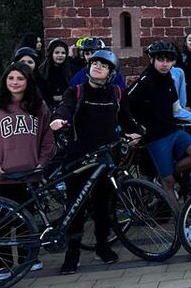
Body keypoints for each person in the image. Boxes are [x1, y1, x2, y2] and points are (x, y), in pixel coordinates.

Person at [50, 50, 143, 273]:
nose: (98, 67)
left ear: (111, 72)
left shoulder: (117, 93)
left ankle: (102, 247)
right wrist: (59, 120)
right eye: (95, 63)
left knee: (104, 206)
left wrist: (138, 131)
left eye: (103, 65)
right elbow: (65, 108)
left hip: (106, 158)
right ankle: (72, 254)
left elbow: (126, 118)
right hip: (79, 158)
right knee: (76, 206)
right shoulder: (77, 91)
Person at [128, 41, 191, 199]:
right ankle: (179, 221)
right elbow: (125, 106)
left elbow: (176, 109)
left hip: (172, 130)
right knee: (168, 183)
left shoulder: (169, 79)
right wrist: (134, 131)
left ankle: (164, 173)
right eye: (161, 60)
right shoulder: (144, 81)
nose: (165, 64)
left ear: (174, 62)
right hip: (155, 136)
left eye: (168, 60)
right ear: (153, 60)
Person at [0, 63, 54, 209]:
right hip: (1, 176)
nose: (15, 82)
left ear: (28, 81)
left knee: (26, 228)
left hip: (29, 175)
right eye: (10, 78)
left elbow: (47, 140)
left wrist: (41, 163)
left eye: (20, 78)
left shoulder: (39, 106)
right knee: (0, 228)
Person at [35, 38, 71, 108]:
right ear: (51, 53)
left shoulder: (71, 69)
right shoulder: (42, 71)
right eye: (57, 53)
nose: (60, 55)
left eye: (63, 53)